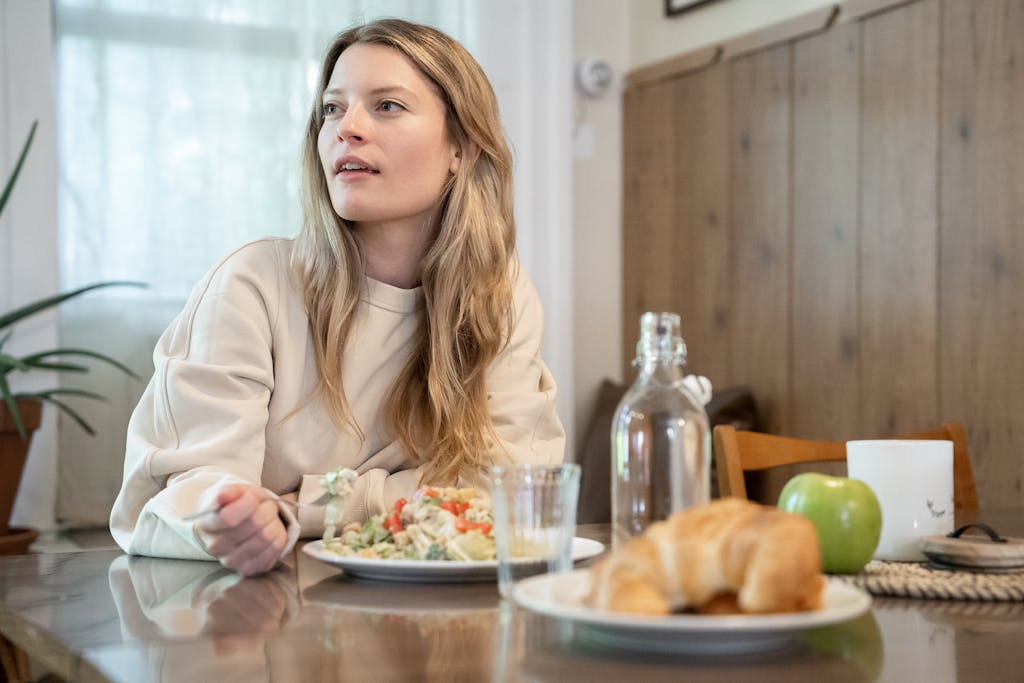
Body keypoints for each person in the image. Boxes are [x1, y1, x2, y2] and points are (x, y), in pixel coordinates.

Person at [110, 18, 565, 576]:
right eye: (331, 108)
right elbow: (186, 492)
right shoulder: (252, 283)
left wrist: (303, 507)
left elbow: (509, 486)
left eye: (387, 106)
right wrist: (230, 516)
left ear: (462, 149)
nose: (346, 128)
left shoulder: (499, 295)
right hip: (259, 614)